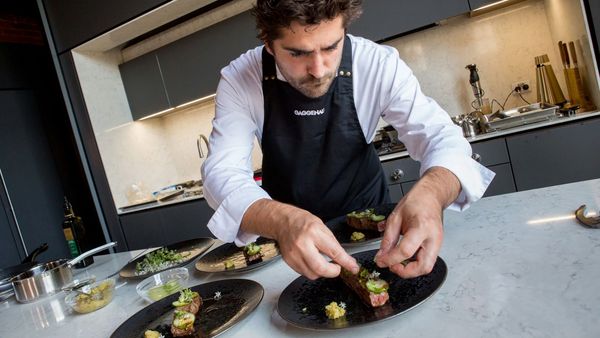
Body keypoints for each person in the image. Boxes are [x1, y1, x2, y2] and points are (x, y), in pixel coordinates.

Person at [201, 0, 494, 280]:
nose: (318, 69)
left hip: (373, 235)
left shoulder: (377, 64)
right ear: (268, 42)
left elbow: (441, 137)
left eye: (331, 47)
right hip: (292, 248)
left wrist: (432, 193)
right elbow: (221, 173)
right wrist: (282, 221)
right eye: (298, 53)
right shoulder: (240, 79)